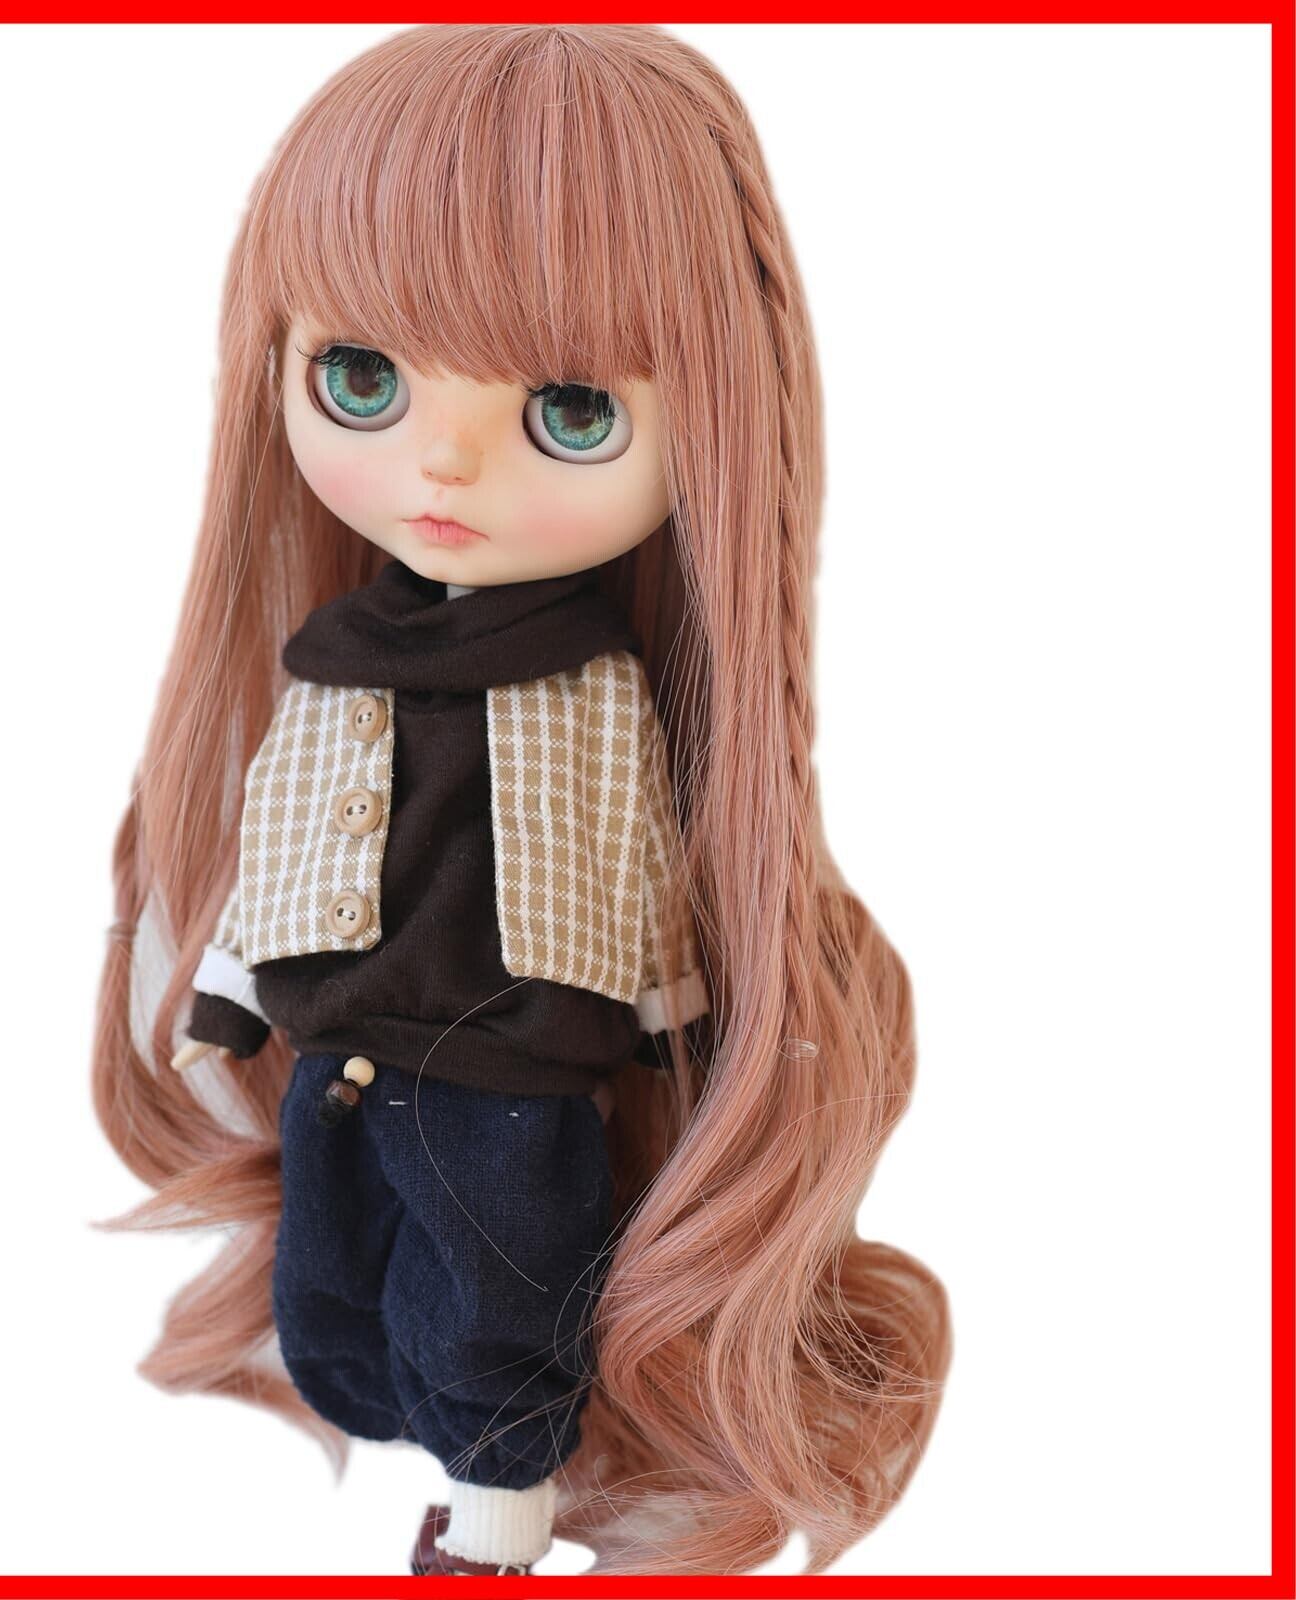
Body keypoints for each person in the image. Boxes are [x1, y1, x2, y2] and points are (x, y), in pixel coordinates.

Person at [94, 23, 950, 1576]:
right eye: (363, 377)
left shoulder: (591, 687)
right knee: (334, 1290)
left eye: (571, 413)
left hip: (516, 1069)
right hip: (340, 1054)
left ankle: (496, 1516)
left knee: (503, 1295)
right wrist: (227, 991)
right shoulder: (334, 663)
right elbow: (284, 836)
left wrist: (680, 1020)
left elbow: (631, 861)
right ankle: (424, 1446)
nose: (445, 461)